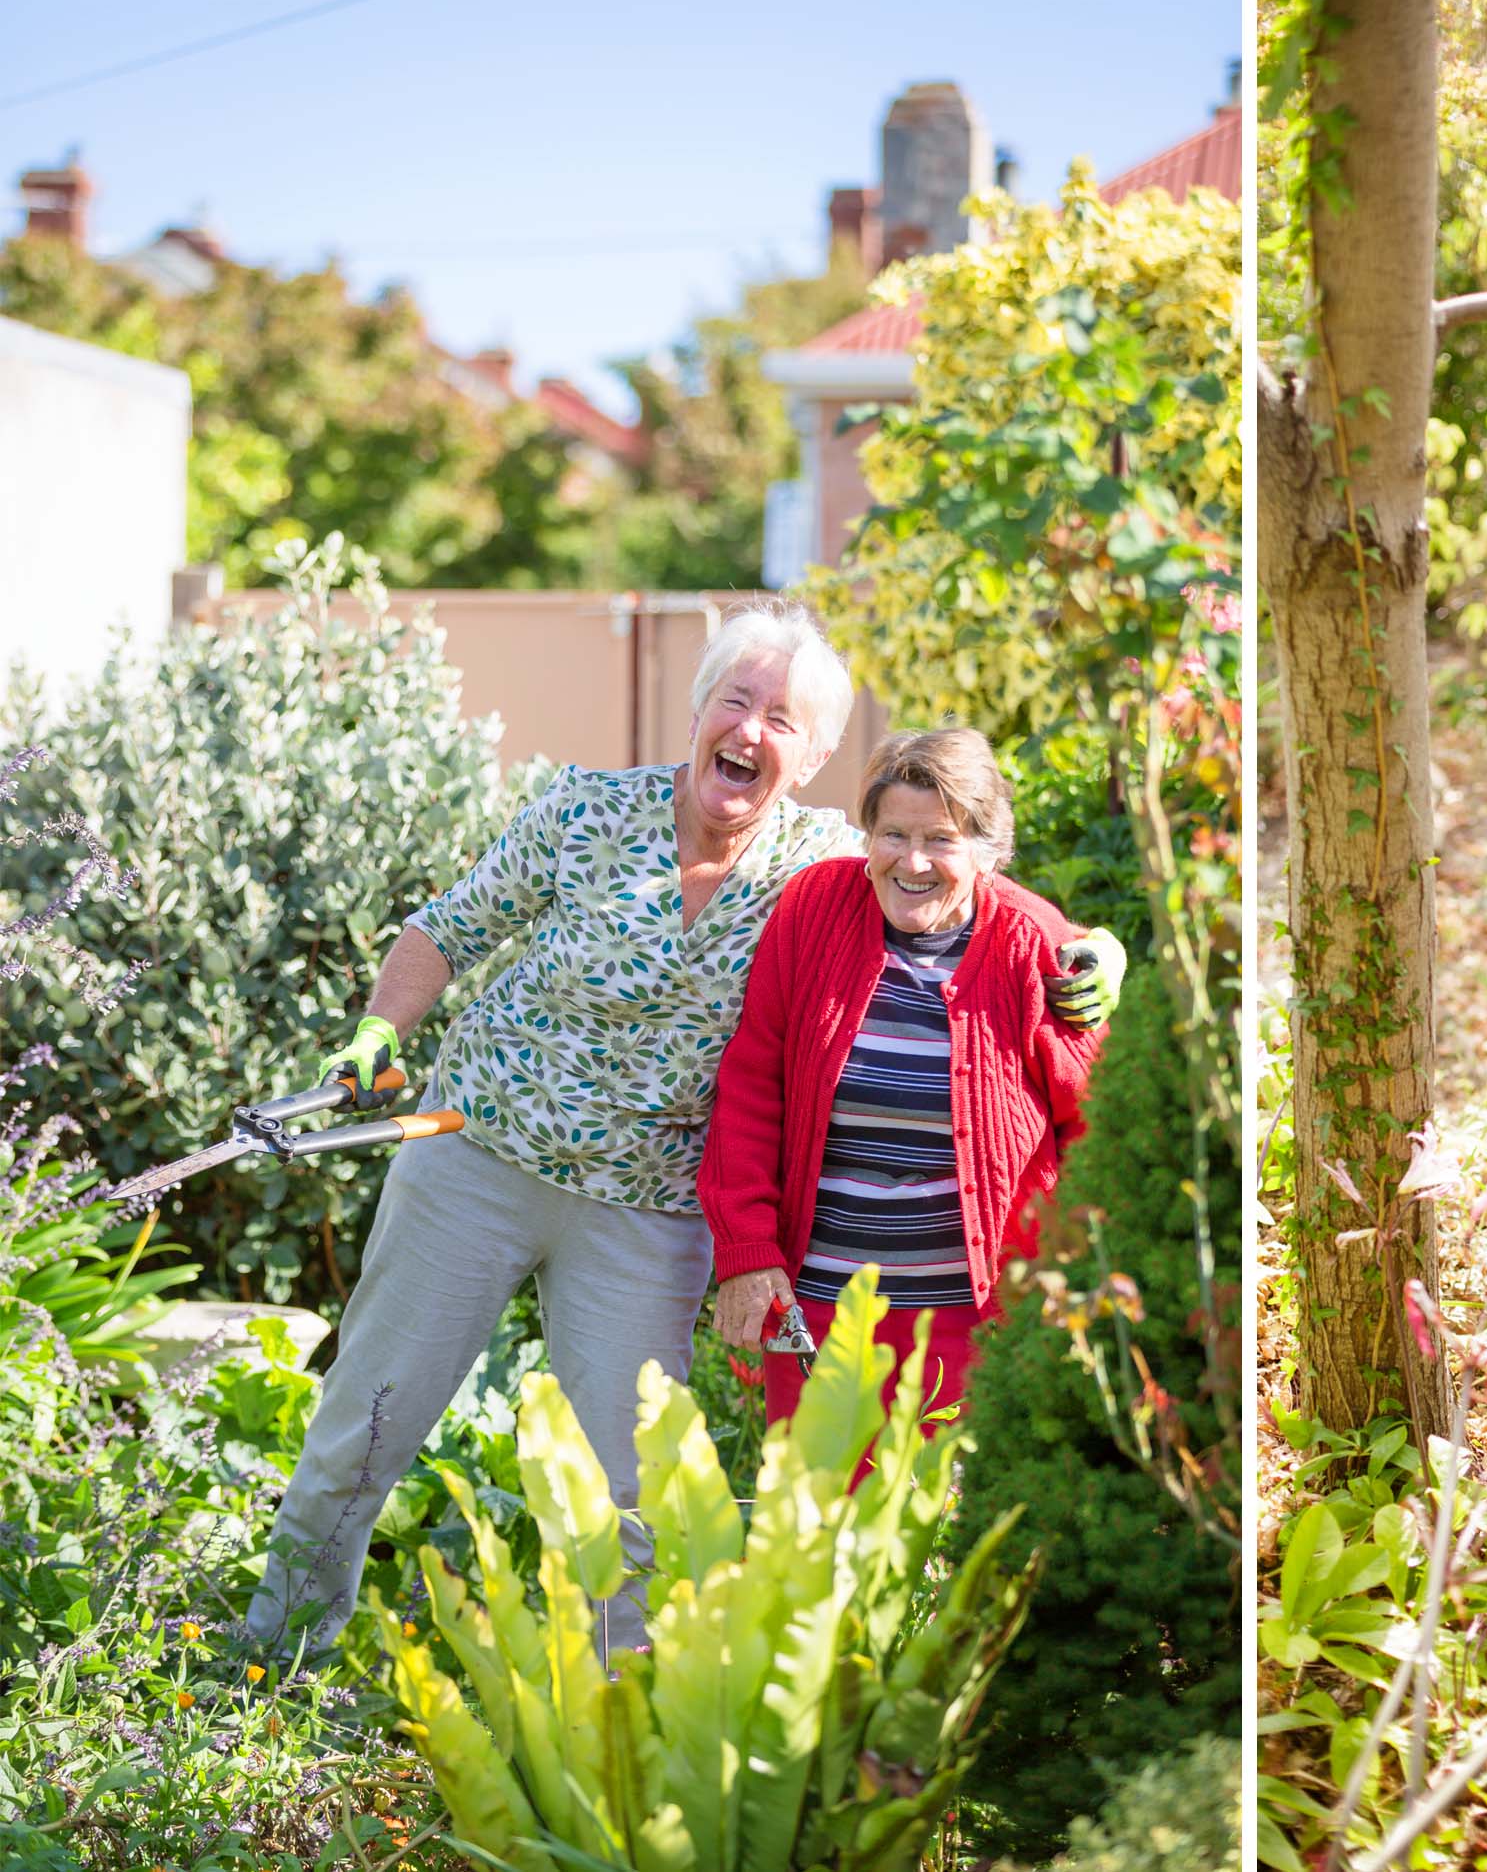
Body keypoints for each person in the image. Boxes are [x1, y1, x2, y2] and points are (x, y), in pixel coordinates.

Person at [246, 606, 1125, 1654]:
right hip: (478, 1158)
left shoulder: (826, 866)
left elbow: (958, 869)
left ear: (813, 757)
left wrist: (1095, 950)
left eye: (781, 719)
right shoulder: (585, 812)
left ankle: (627, 1725)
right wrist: (373, 1035)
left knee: (637, 1485)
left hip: (649, 1211)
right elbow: (447, 926)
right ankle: (277, 1656)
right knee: (372, 1417)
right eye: (736, 701)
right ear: (700, 708)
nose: (750, 730)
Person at [697, 728, 1101, 1427]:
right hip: (818, 1315)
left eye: (941, 839)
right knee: (817, 1527)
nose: (912, 861)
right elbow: (751, 1089)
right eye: (892, 834)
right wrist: (747, 1252)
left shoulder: (1036, 944)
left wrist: (1076, 1292)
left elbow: (1099, 1127)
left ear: (986, 850)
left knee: (958, 1528)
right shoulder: (813, 911)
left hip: (982, 1324)